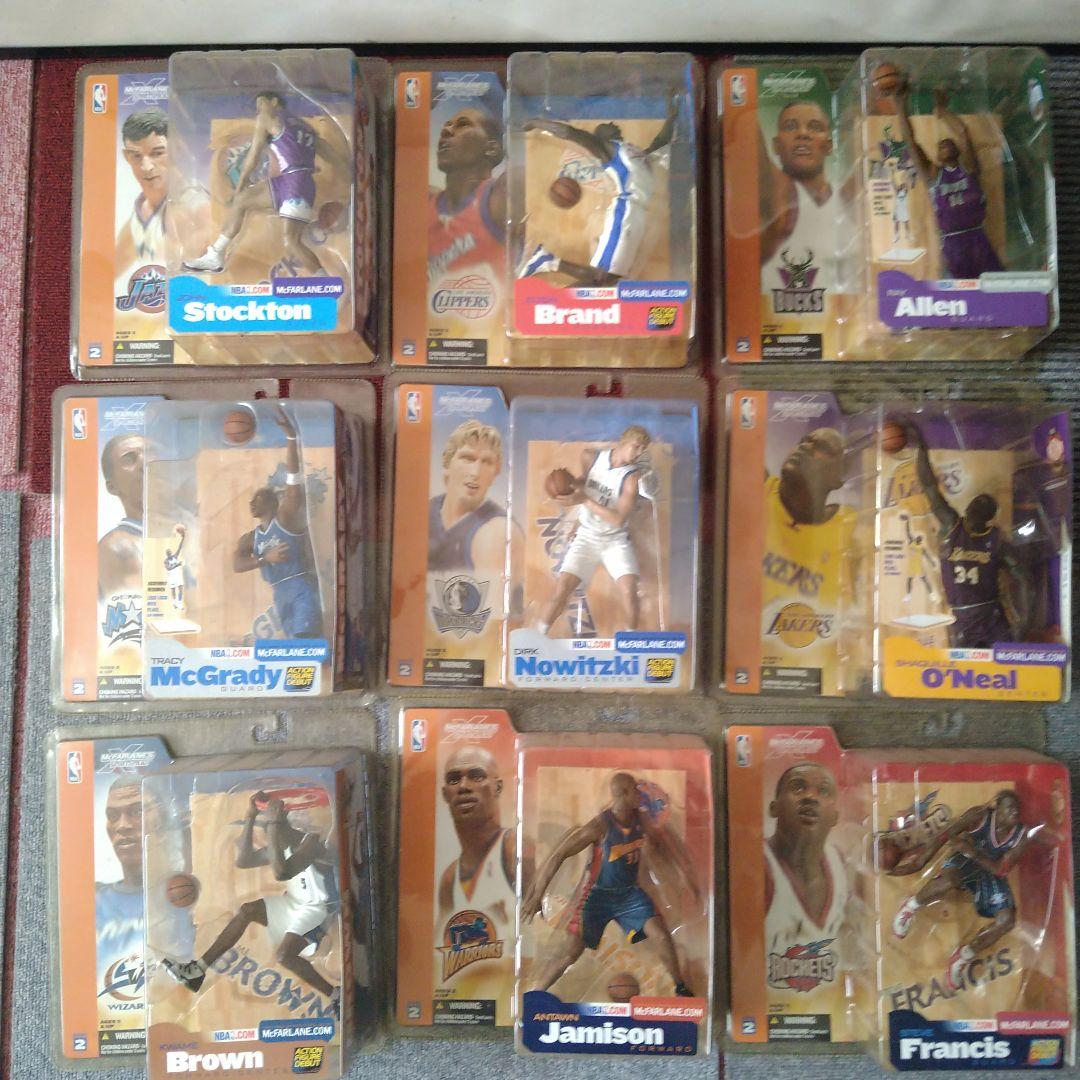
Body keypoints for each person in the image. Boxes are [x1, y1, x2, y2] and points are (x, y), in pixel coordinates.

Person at [521, 772, 698, 996]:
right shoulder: (599, 826)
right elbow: (559, 854)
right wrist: (537, 895)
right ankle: (536, 994)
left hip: (629, 894)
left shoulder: (640, 820)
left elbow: (666, 845)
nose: (640, 794)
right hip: (597, 896)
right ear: (622, 794)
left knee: (661, 935)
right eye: (634, 790)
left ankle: (680, 987)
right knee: (570, 953)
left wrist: (685, 879)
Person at [162, 793, 340, 1011]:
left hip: (317, 909)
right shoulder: (282, 845)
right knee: (247, 910)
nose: (268, 836)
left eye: (271, 829)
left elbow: (282, 873)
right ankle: (197, 970)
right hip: (295, 904)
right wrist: (250, 816)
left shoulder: (311, 842)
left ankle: (335, 995)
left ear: (283, 826)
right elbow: (243, 860)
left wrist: (273, 824)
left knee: (284, 956)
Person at [891, 791, 1060, 991]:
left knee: (1007, 920)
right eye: (1009, 807)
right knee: (949, 880)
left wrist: (970, 850)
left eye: (1017, 809)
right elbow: (945, 834)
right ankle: (910, 907)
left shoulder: (1022, 836)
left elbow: (1001, 869)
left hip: (989, 871)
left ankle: (963, 957)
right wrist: (920, 861)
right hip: (966, 862)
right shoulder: (979, 816)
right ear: (997, 809)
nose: (1015, 812)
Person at [518, 93, 679, 285]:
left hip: (638, 217)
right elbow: (568, 132)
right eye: (603, 126)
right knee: (602, 277)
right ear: (599, 138)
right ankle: (547, 263)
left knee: (611, 279)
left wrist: (672, 116)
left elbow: (660, 142)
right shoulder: (607, 150)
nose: (610, 123)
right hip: (625, 212)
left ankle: (548, 262)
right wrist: (536, 122)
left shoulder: (633, 152)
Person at [184, 90, 349, 275]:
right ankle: (215, 255)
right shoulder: (304, 127)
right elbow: (331, 155)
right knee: (243, 201)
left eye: (261, 104)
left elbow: (253, 158)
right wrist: (351, 174)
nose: (258, 111)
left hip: (295, 184)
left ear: (274, 101)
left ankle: (324, 281)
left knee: (292, 242)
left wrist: (240, 185)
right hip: (293, 181)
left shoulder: (267, 118)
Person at [910, 424, 1029, 647]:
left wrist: (1024, 622)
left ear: (989, 517)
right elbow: (929, 486)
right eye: (977, 502)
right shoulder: (952, 525)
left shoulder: (995, 540)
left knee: (1009, 660)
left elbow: (1023, 578)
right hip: (962, 617)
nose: (977, 505)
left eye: (982, 505)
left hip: (989, 613)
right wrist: (921, 445)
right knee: (963, 666)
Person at [537, 426, 651, 635]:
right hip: (587, 536)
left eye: (643, 449)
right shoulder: (590, 457)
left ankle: (630, 640)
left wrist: (584, 500)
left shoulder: (631, 478)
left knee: (630, 591)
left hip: (615, 540)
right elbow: (584, 483)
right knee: (562, 589)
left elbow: (618, 519)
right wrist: (566, 489)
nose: (639, 453)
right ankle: (537, 636)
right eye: (636, 446)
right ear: (624, 441)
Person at [892, 83, 1003, 278]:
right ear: (936, 157)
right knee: (955, 290)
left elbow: (962, 131)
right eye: (940, 146)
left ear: (959, 151)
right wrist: (901, 106)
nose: (945, 144)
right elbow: (910, 142)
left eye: (949, 143)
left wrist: (942, 111)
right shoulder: (933, 175)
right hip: (952, 243)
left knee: (997, 285)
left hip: (977, 237)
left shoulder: (969, 167)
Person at [233, 406, 323, 640]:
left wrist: (291, 439)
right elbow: (237, 564)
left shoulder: (284, 519)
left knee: (305, 641)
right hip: (279, 591)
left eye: (257, 498)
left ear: (272, 503)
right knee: (293, 644)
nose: (252, 503)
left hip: (300, 585)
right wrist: (264, 558)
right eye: (251, 500)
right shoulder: (250, 538)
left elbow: (294, 486)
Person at [764, 762, 850, 981]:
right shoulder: (758, 865)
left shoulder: (841, 864)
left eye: (824, 791)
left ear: (835, 816)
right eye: (798, 787)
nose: (811, 797)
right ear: (774, 808)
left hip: (832, 999)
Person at [438, 746, 516, 935]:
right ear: (445, 794)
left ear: (497, 787)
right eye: (454, 779)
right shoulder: (450, 878)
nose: (463, 786)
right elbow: (439, 944)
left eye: (476, 776)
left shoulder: (514, 848)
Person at [758, 99, 836, 288]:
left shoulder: (851, 198)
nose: (802, 134)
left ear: (829, 145)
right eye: (791, 126)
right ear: (776, 145)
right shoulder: (766, 201)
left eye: (814, 127)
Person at [428, 108, 506, 283]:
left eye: (463, 125)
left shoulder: (501, 194)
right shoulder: (425, 201)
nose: (446, 130)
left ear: (492, 148)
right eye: (447, 125)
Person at [429, 420, 506, 580]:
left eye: (487, 462)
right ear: (448, 462)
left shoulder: (498, 529)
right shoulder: (424, 512)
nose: (476, 472)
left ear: (495, 474)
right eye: (468, 459)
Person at [99, 433, 145, 603]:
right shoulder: (117, 546)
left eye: (152, 454)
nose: (145, 463)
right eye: (129, 459)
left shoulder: (182, 530)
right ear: (112, 487)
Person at [163, 524, 187, 613]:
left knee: (180, 588)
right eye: (168, 552)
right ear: (167, 554)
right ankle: (174, 602)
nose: (170, 553)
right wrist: (178, 564)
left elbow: (180, 547)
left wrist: (183, 537)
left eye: (170, 552)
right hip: (171, 576)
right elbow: (168, 568)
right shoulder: (166, 561)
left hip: (177, 575)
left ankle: (179, 603)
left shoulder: (175, 556)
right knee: (173, 590)